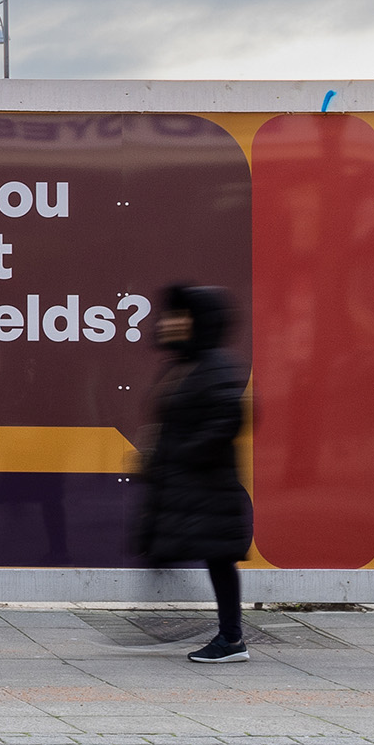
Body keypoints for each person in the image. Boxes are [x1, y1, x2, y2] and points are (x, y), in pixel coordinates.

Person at [133, 281, 253, 665]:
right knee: (206, 556)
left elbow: (228, 419)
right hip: (193, 483)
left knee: (219, 559)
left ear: (199, 321)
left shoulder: (214, 366)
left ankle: (232, 639)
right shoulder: (187, 366)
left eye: (179, 316)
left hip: (208, 485)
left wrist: (183, 454)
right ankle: (230, 638)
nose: (168, 323)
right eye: (169, 315)